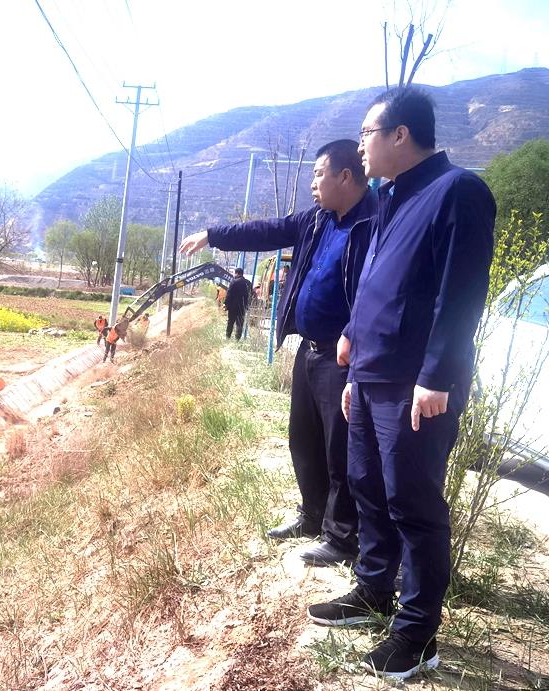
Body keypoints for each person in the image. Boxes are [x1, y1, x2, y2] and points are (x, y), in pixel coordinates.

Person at [306, 88, 495, 680]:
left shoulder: (457, 191)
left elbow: (461, 295)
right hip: (371, 376)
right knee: (368, 487)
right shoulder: (392, 196)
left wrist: (436, 376)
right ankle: (372, 590)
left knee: (412, 503)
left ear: (400, 135)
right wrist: (353, 343)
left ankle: (417, 634)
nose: (360, 145)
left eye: (367, 133)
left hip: (416, 385)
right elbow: (378, 281)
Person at [180, 139, 376, 567]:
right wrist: (213, 235)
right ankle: (312, 515)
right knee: (303, 439)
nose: (313, 184)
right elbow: (267, 230)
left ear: (345, 176)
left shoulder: (373, 224)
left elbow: (375, 293)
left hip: (343, 356)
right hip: (310, 349)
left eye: (319, 174)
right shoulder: (317, 220)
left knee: (339, 449)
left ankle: (342, 538)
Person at [222, 268, 253, 339]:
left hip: (233, 307)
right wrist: (247, 305)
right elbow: (251, 295)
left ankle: (227, 337)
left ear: (236, 273)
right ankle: (237, 339)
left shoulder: (234, 282)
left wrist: (225, 304)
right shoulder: (248, 283)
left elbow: (229, 294)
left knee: (230, 322)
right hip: (242, 307)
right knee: (240, 323)